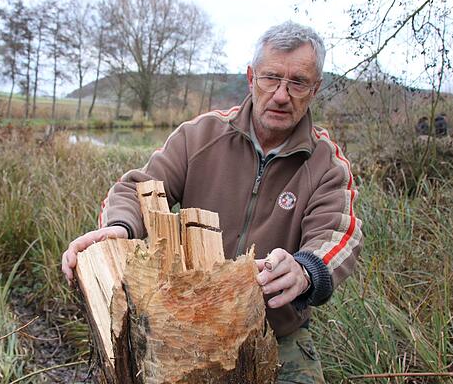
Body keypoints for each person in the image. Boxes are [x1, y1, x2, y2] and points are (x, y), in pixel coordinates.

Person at [61, 21, 364, 383]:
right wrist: (118, 230)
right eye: (271, 78)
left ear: (315, 89)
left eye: (297, 83)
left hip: (274, 333)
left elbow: (340, 235)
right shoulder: (200, 135)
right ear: (251, 77)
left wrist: (305, 270)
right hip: (183, 325)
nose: (281, 95)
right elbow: (135, 189)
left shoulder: (325, 162)